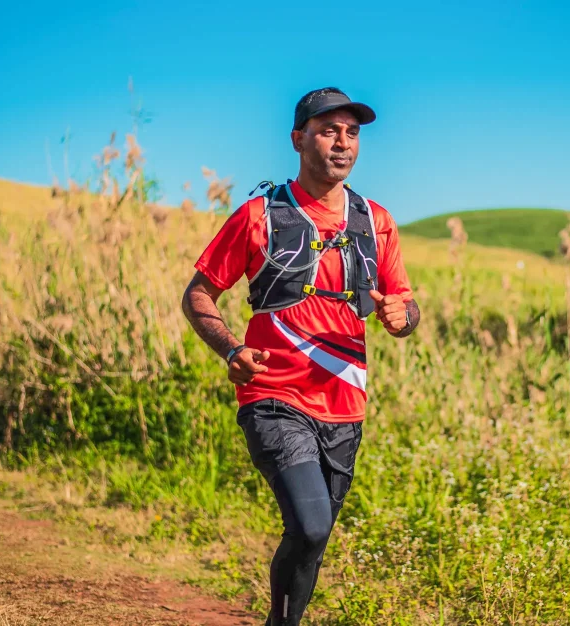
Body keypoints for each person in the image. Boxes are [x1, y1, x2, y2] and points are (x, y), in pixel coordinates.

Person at [181, 87, 420, 625]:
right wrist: (231, 349)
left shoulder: (376, 221)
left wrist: (404, 318)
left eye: (351, 133)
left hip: (344, 404)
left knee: (315, 536)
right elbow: (198, 294)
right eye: (328, 130)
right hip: (273, 395)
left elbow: (404, 302)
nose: (342, 142)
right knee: (310, 526)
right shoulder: (259, 215)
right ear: (298, 139)